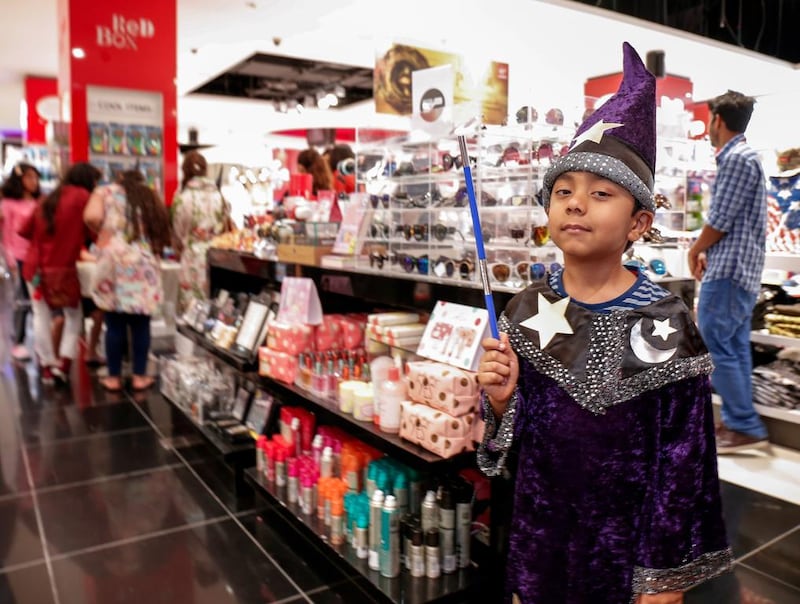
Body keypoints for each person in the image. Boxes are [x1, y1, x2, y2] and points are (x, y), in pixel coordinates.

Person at [476, 43, 731, 604]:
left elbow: (683, 463)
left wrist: (664, 580)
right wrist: (498, 402)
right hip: (539, 541)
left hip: (626, 553)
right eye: (563, 191)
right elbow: (510, 440)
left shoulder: (665, 321)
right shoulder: (523, 309)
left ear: (639, 221)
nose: (575, 204)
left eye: (600, 194)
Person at [687, 90, 769, 454]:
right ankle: (741, 422)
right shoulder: (746, 158)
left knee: (717, 344)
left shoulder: (737, 158)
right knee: (733, 346)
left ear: (717, 120)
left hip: (730, 270)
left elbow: (720, 220)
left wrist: (697, 247)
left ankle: (744, 424)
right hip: (738, 269)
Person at [83, 170, 170, 392]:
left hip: (113, 262)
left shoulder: (104, 191)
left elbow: (91, 217)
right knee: (141, 324)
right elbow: (162, 226)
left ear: (119, 179)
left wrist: (106, 232)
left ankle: (114, 378)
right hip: (143, 261)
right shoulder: (148, 194)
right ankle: (139, 376)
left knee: (114, 322)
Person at [18, 162, 101, 384]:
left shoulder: (48, 198)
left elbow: (23, 230)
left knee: (41, 315)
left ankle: (47, 366)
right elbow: (96, 231)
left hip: (35, 269)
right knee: (74, 316)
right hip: (64, 269)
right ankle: (63, 365)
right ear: (87, 181)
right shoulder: (83, 197)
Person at [170, 150, 232, 315]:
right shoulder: (220, 196)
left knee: (191, 307)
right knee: (214, 304)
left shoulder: (182, 199)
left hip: (192, 257)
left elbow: (177, 233)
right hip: (218, 257)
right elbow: (226, 226)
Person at [1, 163, 41, 361]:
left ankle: (39, 343)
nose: (34, 182)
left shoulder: (39, 202)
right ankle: (17, 340)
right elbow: (5, 234)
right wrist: (9, 259)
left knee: (37, 300)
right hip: (17, 257)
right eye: (29, 177)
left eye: (36, 177)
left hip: (37, 258)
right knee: (21, 300)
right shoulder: (8, 204)